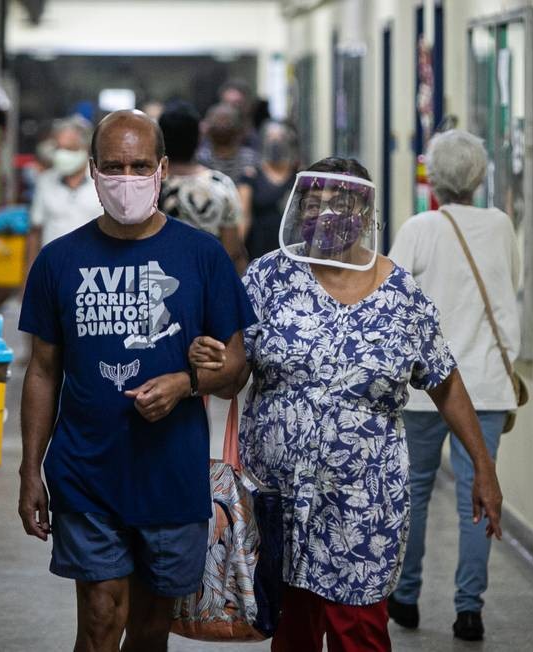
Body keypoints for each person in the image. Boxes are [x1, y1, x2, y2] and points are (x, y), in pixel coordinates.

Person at [188, 157, 503, 652]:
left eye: (341, 204)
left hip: (366, 499)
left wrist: (483, 467)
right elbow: (234, 375)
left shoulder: (402, 295)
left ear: (365, 212)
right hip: (280, 495)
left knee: (360, 631)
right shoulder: (270, 278)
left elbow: (444, 381)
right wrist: (210, 365)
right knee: (292, 629)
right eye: (314, 204)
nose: (326, 214)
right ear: (298, 209)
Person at [17, 110, 257, 651]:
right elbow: (42, 371)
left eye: (140, 165)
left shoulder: (202, 258)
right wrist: (30, 468)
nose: (127, 178)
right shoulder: (59, 261)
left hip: (170, 477)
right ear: (95, 170)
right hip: (86, 470)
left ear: (163, 169)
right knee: (101, 621)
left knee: (149, 631)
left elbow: (234, 371)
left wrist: (187, 382)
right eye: (115, 166)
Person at [387, 129, 522, 641]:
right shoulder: (502, 226)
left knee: (414, 491)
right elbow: (511, 284)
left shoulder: (421, 228)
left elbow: (391, 298)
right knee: (478, 494)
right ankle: (469, 609)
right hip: (485, 386)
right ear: (480, 177)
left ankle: (406, 597)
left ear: (435, 180)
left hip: (426, 389)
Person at [158, 101, 246, 270]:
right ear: (199, 137)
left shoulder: (149, 185)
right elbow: (232, 251)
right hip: (208, 280)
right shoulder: (221, 184)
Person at [27, 116, 102, 268]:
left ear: (85, 148)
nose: (62, 155)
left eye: (69, 149)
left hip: (94, 270)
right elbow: (35, 231)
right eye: (58, 148)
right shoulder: (45, 181)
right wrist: (29, 274)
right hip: (53, 269)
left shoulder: (102, 182)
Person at [239, 121, 300, 261]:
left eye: (280, 138)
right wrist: (238, 253)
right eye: (270, 138)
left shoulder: (299, 175)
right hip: (258, 248)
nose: (275, 143)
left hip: (292, 248)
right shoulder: (251, 176)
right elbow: (243, 216)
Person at [196, 103, 260, 185]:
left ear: (238, 128)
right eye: (217, 121)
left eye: (227, 122)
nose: (222, 126)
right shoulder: (200, 158)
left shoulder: (251, 159)